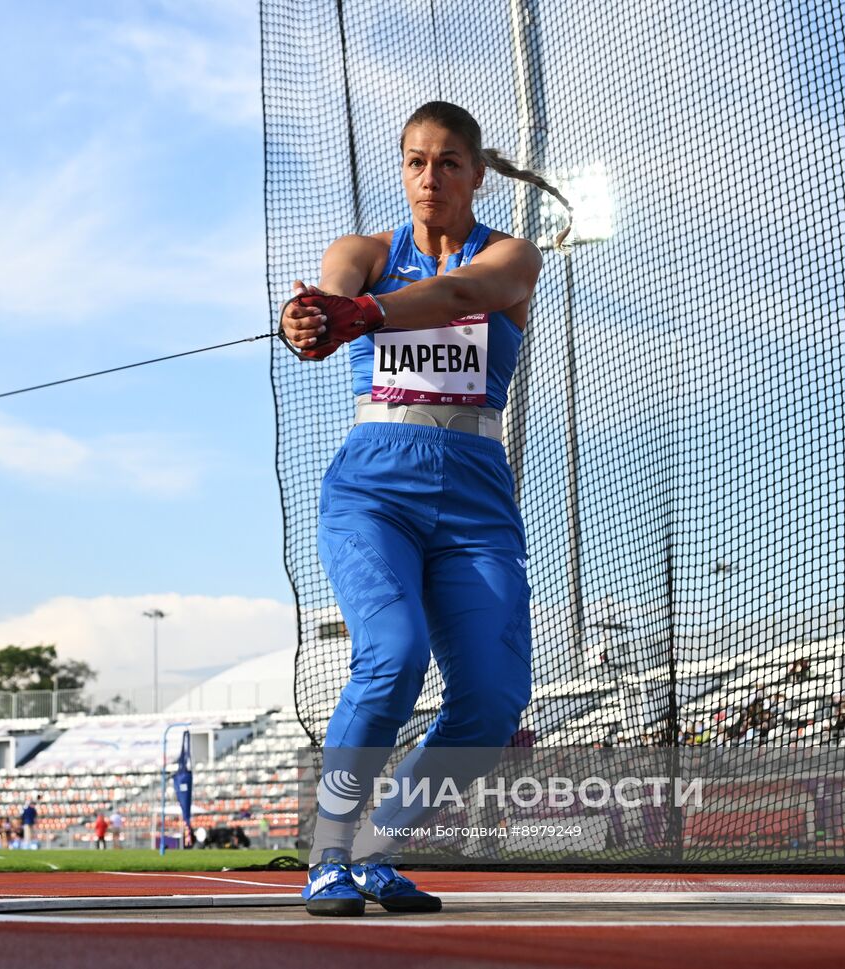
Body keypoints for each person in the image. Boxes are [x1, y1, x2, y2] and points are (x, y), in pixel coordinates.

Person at [279, 101, 565, 918]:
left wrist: (367, 314)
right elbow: (330, 297)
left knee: (492, 700)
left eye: (445, 162)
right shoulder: (364, 254)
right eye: (413, 161)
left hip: (475, 499)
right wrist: (311, 318)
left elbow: (456, 294)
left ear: (476, 173)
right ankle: (330, 854)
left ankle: (378, 845)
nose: (427, 177)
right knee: (393, 653)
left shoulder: (511, 256)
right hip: (374, 489)